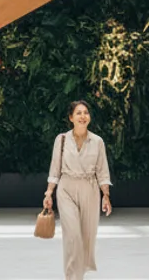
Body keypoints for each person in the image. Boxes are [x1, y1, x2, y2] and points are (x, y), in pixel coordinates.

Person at [44, 100, 112, 279]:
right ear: (71, 117)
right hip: (66, 189)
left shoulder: (97, 141)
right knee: (72, 236)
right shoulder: (62, 139)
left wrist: (106, 195)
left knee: (87, 237)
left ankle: (79, 276)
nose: (83, 116)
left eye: (86, 113)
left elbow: (102, 170)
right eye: (79, 113)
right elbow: (55, 168)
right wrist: (49, 192)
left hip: (90, 190)